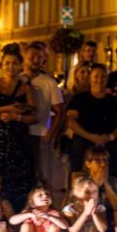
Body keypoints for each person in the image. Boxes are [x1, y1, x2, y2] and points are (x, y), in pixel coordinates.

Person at [0, 45, 37, 214]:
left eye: (14, 63)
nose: (10, 67)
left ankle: (16, 217)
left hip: (17, 137)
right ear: (2, 65)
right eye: (7, 63)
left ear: (20, 65)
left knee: (18, 179)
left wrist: (17, 117)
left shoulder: (26, 87)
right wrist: (7, 109)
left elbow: (34, 116)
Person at [65, 63, 117, 178]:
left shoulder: (115, 102)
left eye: (103, 76)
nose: (99, 79)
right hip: (83, 143)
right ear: (90, 78)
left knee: (110, 175)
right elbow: (71, 121)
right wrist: (90, 136)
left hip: (107, 144)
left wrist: (110, 137)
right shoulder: (79, 98)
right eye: (96, 76)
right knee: (79, 176)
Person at [24, 42, 65, 194]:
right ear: (25, 57)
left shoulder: (49, 82)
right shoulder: (19, 79)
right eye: (32, 56)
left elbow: (59, 110)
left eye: (39, 57)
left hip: (41, 134)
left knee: (43, 176)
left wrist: (50, 134)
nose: (35, 60)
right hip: (22, 133)